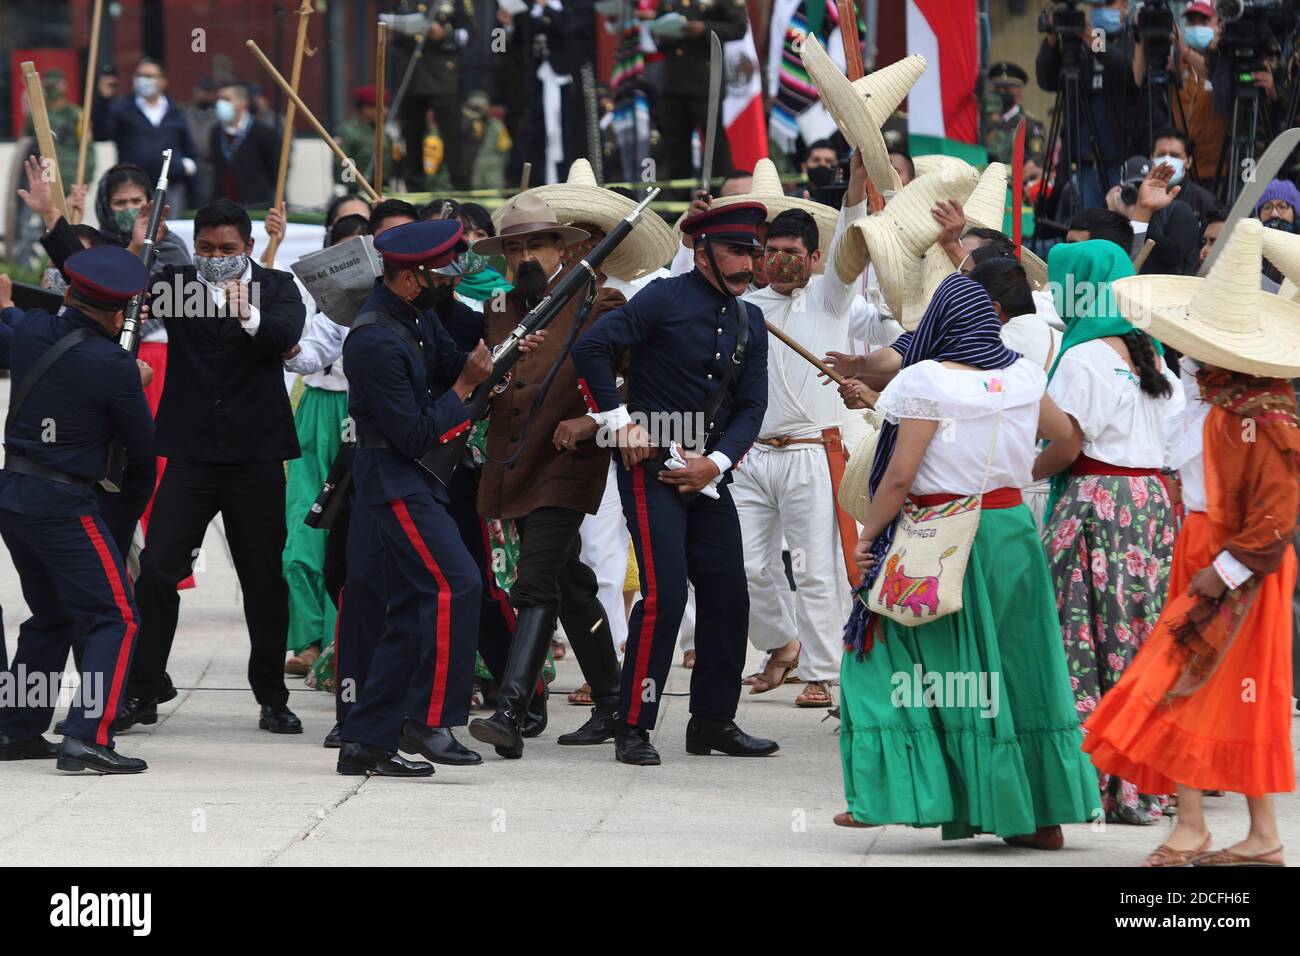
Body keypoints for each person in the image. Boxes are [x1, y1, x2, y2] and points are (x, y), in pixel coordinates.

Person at [833, 272, 1100, 845]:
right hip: (1009, 531)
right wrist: (1008, 481)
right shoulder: (1025, 374)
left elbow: (900, 475)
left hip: (936, 535)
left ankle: (891, 790)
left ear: (937, 324)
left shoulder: (924, 380)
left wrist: (866, 537)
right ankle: (1036, 816)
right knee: (1017, 668)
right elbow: (1069, 441)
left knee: (887, 661)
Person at [42, 200, 307, 735]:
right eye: (206, 248)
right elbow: (104, 287)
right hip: (189, 455)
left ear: (249, 248)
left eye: (227, 250)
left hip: (255, 456)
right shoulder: (180, 285)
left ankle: (271, 696)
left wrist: (246, 313)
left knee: (262, 580)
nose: (215, 258)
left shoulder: (277, 286)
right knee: (159, 570)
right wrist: (95, 235)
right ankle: (143, 689)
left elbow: (285, 339)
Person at [1089, 217, 1300, 866]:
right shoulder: (1213, 400)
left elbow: (1277, 509)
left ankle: (1197, 827)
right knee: (1206, 684)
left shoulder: (1266, 415)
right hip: (1204, 550)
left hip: (1241, 564)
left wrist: (1228, 570)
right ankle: (1243, 831)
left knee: (1197, 682)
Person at [571, 202, 777, 766]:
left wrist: (717, 463)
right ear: (700, 249)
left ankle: (712, 721)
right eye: (737, 252)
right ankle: (634, 724)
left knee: (730, 596)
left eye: (751, 252)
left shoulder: (749, 320)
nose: (747, 263)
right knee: (664, 595)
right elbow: (591, 348)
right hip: (652, 464)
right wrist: (619, 422)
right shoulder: (663, 296)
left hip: (708, 473)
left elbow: (753, 404)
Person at [465, 193, 628, 757]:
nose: (525, 255)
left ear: (566, 246)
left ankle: (511, 708)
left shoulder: (601, 302)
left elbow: (628, 384)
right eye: (514, 247)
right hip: (511, 460)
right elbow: (484, 384)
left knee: (533, 581)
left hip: (565, 461)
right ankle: (613, 698)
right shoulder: (498, 306)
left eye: (537, 242)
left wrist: (589, 421)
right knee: (569, 583)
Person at [334, 220, 497, 776]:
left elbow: (454, 363)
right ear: (409, 278)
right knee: (457, 584)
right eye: (439, 273)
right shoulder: (374, 339)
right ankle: (430, 721)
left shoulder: (415, 315)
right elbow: (414, 433)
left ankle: (365, 742)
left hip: (414, 480)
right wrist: (464, 390)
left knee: (408, 612)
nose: (448, 281)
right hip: (395, 479)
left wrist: (507, 354)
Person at [1033, 238, 1182, 825]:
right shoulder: (1153, 353)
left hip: (1098, 503)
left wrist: (1021, 470)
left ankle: (1095, 779)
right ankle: (1146, 780)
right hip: (1151, 505)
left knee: (1084, 639)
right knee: (1140, 639)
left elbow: (1067, 440)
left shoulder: (1083, 355)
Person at [0, 247, 155, 773]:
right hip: (65, 503)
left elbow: (18, 319)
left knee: (52, 616)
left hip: (14, 495)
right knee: (117, 616)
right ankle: (88, 734)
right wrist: (136, 379)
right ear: (119, 315)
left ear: (68, 293)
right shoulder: (114, 364)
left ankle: (17, 728)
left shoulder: (29, 331)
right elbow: (142, 446)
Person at [728, 153, 868, 710]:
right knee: (745, 565)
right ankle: (780, 643)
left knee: (815, 568)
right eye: (773, 252)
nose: (782, 261)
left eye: (794, 254)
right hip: (750, 456)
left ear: (813, 258)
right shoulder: (743, 305)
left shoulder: (831, 298)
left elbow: (851, 240)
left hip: (811, 451)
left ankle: (822, 672)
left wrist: (855, 187)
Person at [1036, 0, 1141, 212]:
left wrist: (1091, 40)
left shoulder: (1131, 39)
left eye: (1107, 3)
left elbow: (1129, 72)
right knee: (1086, 227)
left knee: (1119, 226)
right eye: (1094, 5)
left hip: (1120, 160)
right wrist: (1052, 38)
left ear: (1124, 7)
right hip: (1083, 161)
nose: (1099, 10)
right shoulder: (1076, 46)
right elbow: (1046, 80)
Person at [650, 0, 747, 185]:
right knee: (674, 149)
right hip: (673, 81)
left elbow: (738, 27)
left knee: (715, 147)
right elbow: (656, 29)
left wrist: (704, 28)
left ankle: (720, 197)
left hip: (705, 81)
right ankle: (676, 204)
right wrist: (661, 35)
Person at [1132, 2, 1225, 191]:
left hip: (1216, 171)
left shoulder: (1224, 60)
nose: (1197, 26)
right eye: (1191, 21)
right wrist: (1140, 36)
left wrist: (1186, 51)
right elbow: (1138, 79)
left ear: (1220, 24)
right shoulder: (1176, 61)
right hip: (1180, 171)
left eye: (1204, 20)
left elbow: (1215, 74)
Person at [389, 0, 476, 191]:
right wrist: (394, 33)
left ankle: (459, 184)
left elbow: (469, 35)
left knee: (452, 133)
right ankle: (414, 186)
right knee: (411, 133)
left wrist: (445, 34)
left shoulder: (456, 3)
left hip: (443, 77)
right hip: (412, 75)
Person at [93, 58, 196, 207]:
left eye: (149, 76)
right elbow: (101, 134)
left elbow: (188, 149)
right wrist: (103, 100)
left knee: (169, 228)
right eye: (139, 75)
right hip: (134, 187)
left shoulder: (176, 112)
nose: (143, 80)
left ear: (163, 81)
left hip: (170, 186)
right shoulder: (122, 108)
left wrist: (182, 167)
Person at [1107, 156, 1200, 275]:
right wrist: (1117, 217)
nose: (1140, 194)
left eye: (1142, 186)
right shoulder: (1117, 211)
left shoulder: (1177, 210)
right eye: (1132, 189)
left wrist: (1142, 216)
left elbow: (1173, 257)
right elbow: (1117, 265)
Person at [208, 82, 279, 208]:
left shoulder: (263, 132)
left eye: (226, 99)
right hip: (222, 206)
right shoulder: (216, 132)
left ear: (243, 103)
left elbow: (275, 169)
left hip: (255, 206)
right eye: (219, 99)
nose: (220, 104)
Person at [23, 68, 93, 188]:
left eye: (56, 84)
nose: (53, 89)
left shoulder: (76, 114)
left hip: (72, 176)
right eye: (50, 85)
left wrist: (87, 177)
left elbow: (88, 148)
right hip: (46, 178)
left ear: (64, 85)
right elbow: (26, 143)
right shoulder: (37, 116)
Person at [983, 61, 1046, 174]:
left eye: (1007, 89)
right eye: (998, 88)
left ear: (1018, 91)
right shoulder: (985, 120)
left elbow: (1037, 157)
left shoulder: (1029, 123)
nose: (1001, 92)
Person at [1149, 127, 1218, 225]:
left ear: (1188, 161)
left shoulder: (1205, 201)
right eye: (1161, 155)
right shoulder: (1140, 197)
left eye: (1174, 155)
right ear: (1151, 159)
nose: (1166, 161)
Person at [335, 86, 392, 194]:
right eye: (380, 106)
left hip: (384, 189)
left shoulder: (384, 130)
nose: (385, 111)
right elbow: (343, 170)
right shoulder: (350, 132)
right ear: (365, 108)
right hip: (359, 191)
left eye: (385, 106)